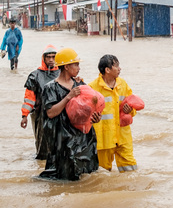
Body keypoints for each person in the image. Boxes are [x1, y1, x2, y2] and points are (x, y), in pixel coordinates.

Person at [40, 48, 100, 181]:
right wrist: (69, 96)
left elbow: (90, 107)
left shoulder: (80, 84)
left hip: (84, 138)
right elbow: (50, 113)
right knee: (65, 177)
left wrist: (96, 117)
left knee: (87, 175)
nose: (79, 68)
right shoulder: (51, 88)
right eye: (76, 64)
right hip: (63, 140)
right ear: (66, 67)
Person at [89, 54, 138, 173]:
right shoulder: (92, 88)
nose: (120, 69)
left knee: (130, 170)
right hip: (103, 139)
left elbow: (133, 105)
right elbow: (86, 113)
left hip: (123, 136)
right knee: (103, 173)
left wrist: (130, 110)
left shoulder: (122, 84)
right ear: (107, 70)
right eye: (116, 66)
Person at [20, 44, 59, 159]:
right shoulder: (35, 76)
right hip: (40, 116)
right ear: (44, 58)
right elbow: (29, 98)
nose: (51, 60)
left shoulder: (63, 73)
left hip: (60, 114)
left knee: (60, 146)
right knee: (42, 146)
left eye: (53, 57)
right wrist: (24, 115)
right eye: (48, 57)